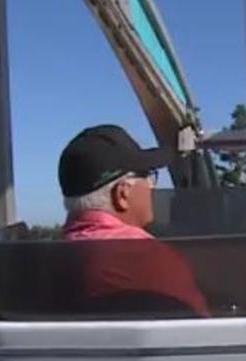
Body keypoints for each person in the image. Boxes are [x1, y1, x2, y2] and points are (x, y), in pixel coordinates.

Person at [57, 124, 209, 317]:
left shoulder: (47, 262)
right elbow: (200, 330)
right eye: (147, 175)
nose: (152, 186)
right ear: (123, 193)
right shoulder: (152, 258)